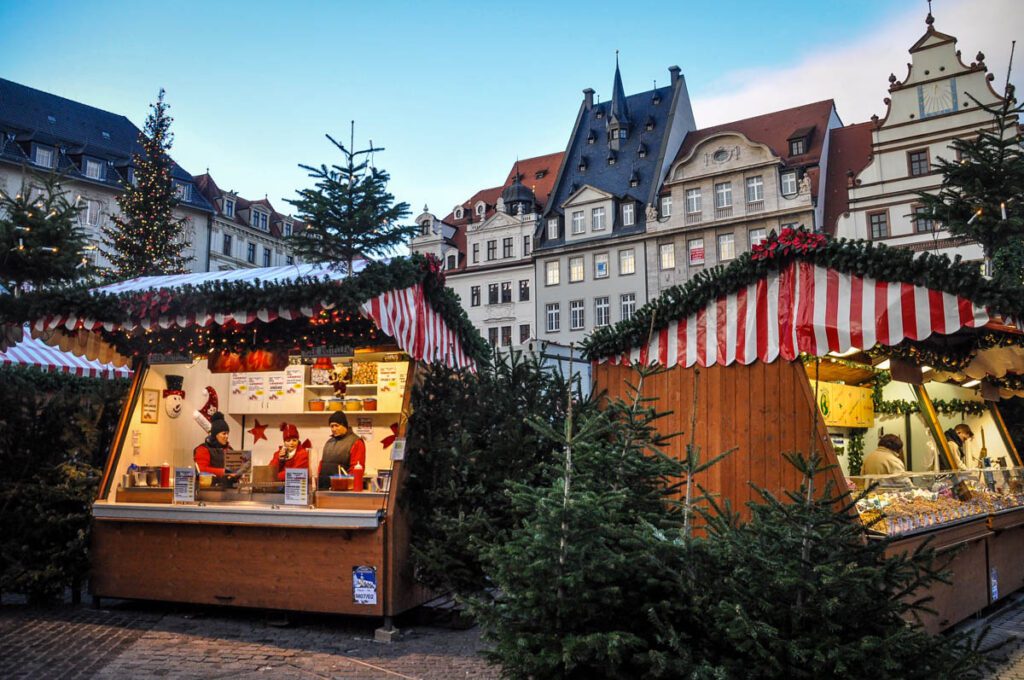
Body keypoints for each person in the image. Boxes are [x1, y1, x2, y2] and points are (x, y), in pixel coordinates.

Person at [317, 411, 366, 490]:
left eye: (336, 425)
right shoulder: (329, 442)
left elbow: (356, 468)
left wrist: (347, 486)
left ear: (344, 425)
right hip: (323, 487)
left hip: (342, 489)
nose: (334, 429)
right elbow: (322, 463)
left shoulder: (356, 442)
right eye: (331, 426)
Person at [194, 412, 233, 476]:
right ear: (215, 435)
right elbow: (201, 470)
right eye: (224, 433)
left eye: (227, 433)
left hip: (228, 485)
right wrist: (224, 471)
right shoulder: (203, 449)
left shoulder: (229, 449)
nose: (227, 436)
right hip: (209, 485)